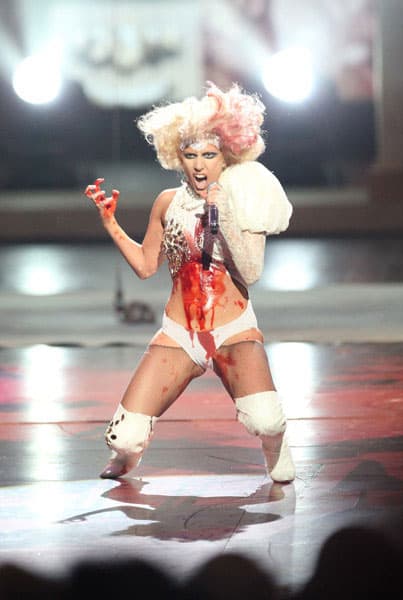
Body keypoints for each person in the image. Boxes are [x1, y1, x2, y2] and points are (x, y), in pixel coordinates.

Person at [85, 81, 295, 483]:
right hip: (180, 333)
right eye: (190, 155)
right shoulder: (168, 202)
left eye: (209, 155)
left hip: (233, 329)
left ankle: (276, 445)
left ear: (227, 155)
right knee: (123, 438)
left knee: (266, 420)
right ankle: (129, 456)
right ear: (176, 156)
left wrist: (224, 214)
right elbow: (146, 266)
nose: (199, 166)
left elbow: (251, 272)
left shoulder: (243, 197)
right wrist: (110, 222)